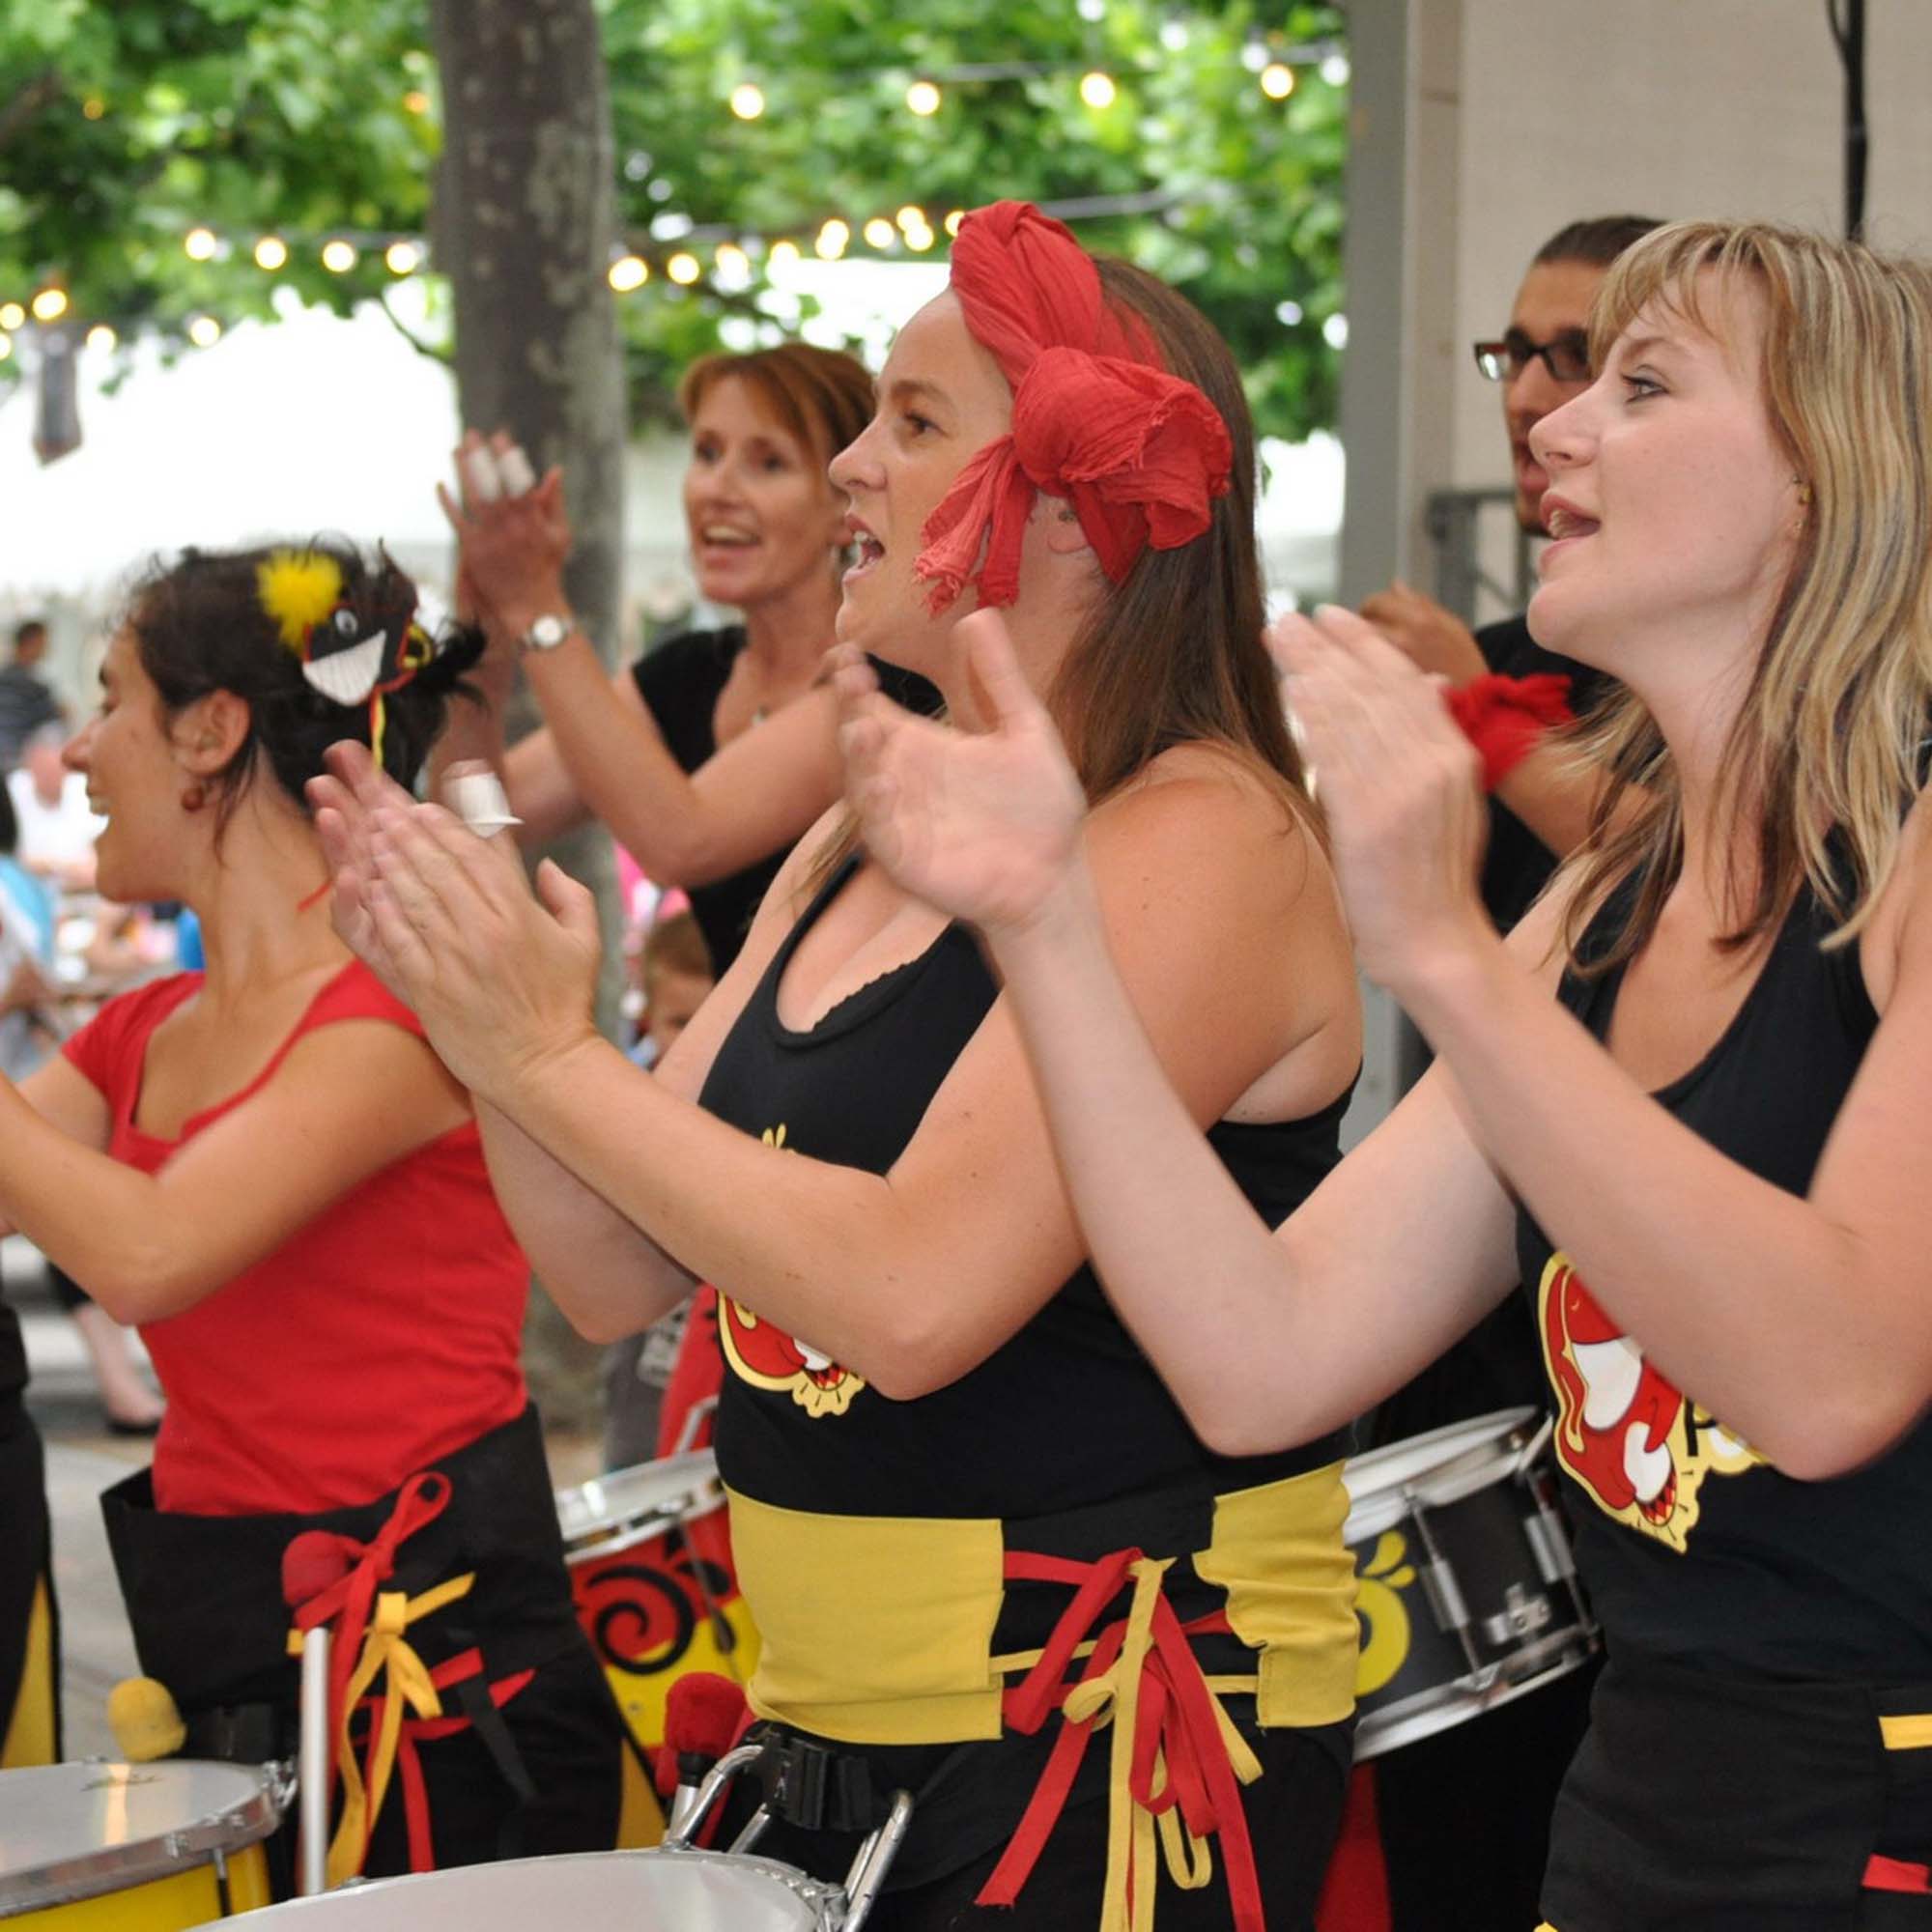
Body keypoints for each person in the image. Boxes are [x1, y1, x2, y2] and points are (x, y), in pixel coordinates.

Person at [835, 218, 1932, 1931]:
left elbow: (1835, 1379)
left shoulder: (1910, 866)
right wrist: (1046, 928)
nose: (1554, 428)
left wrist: (1434, 952)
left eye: (1642, 385)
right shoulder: (1601, 912)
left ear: (1824, 477)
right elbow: (1260, 1359)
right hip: (1644, 1820)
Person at [315, 201, 1366, 1929]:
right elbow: (609, 1270)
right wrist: (477, 1010)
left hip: (1100, 1759)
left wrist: (544, 1052)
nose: (856, 471)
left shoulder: (1205, 839)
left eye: (914, 421)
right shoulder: (849, 837)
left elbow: (911, 1296)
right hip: (840, 1737)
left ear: (1087, 516)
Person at [0, 541, 629, 1889]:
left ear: (212, 729)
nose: (81, 754)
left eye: (112, 701)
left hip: (444, 1694)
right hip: (235, 1660)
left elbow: (147, 1254)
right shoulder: (142, 1028)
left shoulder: (397, 1005)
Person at [1343, 215, 1662, 1932]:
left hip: (1680, 1373)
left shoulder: (1518, 680)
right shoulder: (1492, 643)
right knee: (1468, 1813)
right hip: (1482, 1307)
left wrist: (1470, 720)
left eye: (1603, 363)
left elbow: (1683, 860)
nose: (1538, 404)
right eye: (1519, 357)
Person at [440, 341, 935, 977]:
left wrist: (537, 606)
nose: (717, 489)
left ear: (847, 511)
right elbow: (475, 813)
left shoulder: (882, 680)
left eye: (768, 463)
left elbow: (680, 841)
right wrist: (478, 635)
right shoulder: (683, 675)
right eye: (706, 453)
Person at [604, 907, 716, 1470]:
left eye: (717, 1018)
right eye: (680, 1023)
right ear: (646, 1016)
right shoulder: (625, 1107)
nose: (699, 1043)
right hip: (646, 1371)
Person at [0, 619, 66, 772]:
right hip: (19, 764)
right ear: (31, 642)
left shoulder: (5, 677)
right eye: (44, 642)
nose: (47, 648)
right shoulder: (33, 687)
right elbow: (56, 720)